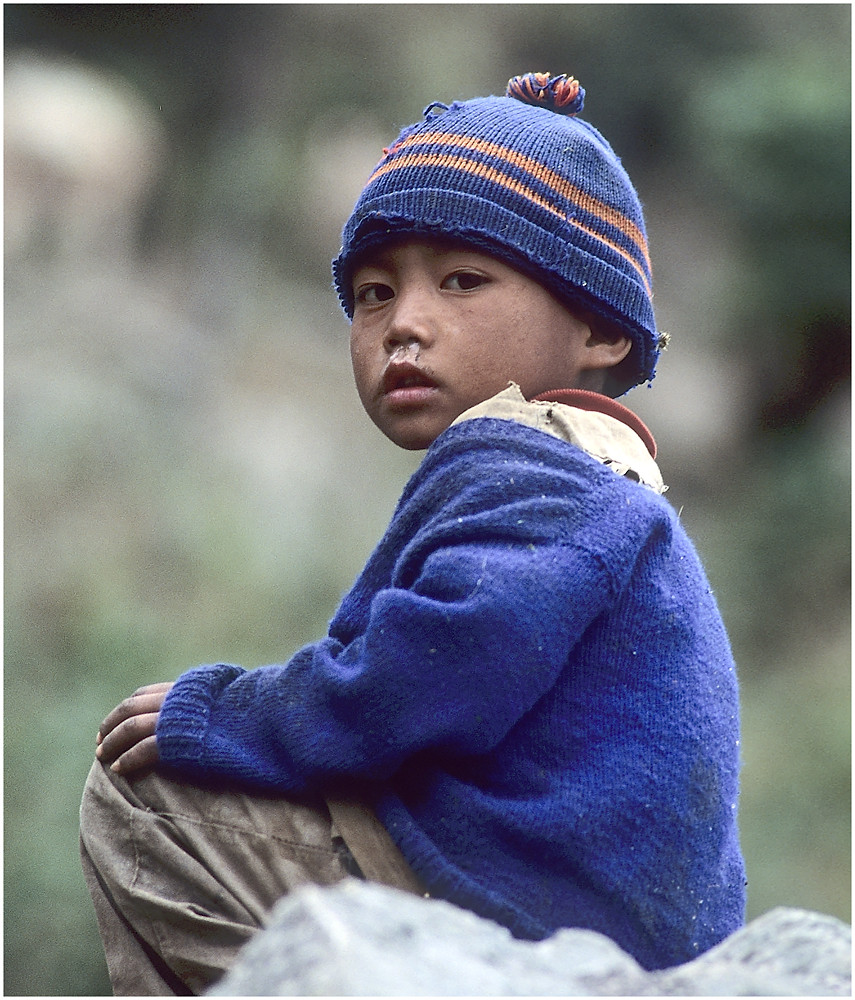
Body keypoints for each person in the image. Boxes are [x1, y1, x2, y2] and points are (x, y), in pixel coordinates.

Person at [81, 72, 746, 995]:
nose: (404, 325)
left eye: (463, 281)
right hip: (582, 898)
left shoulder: (524, 466)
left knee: (144, 796)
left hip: (525, 907)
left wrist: (235, 714)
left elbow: (432, 671)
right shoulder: (601, 476)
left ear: (596, 325)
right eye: (369, 295)